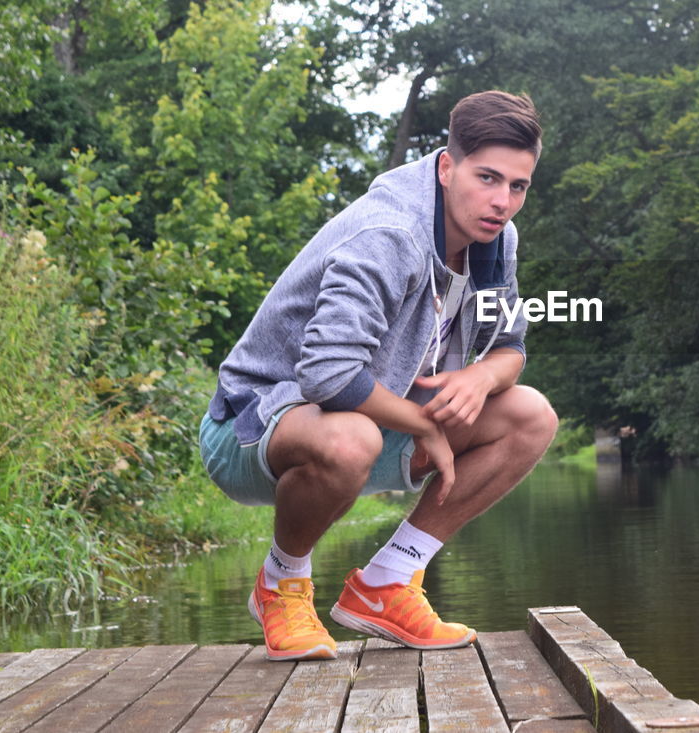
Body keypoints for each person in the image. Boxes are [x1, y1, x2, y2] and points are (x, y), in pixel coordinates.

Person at [198, 90, 558, 661]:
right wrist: (424, 423)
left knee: (530, 415)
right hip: (254, 425)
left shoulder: (496, 240)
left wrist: (482, 378)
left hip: (375, 418)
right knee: (351, 437)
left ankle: (388, 584)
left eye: (518, 186)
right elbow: (327, 375)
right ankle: (281, 585)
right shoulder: (390, 234)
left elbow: (511, 346)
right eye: (487, 178)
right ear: (446, 167)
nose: (502, 201)